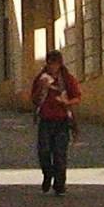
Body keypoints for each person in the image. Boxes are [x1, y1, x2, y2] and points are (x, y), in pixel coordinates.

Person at [30, 50, 82, 194]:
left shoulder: (66, 79)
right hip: (45, 120)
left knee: (60, 153)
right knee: (44, 152)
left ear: (60, 64)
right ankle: (48, 174)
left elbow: (77, 97)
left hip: (62, 121)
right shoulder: (41, 79)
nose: (53, 67)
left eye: (55, 64)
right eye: (50, 64)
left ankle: (59, 184)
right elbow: (34, 99)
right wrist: (42, 88)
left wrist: (66, 101)